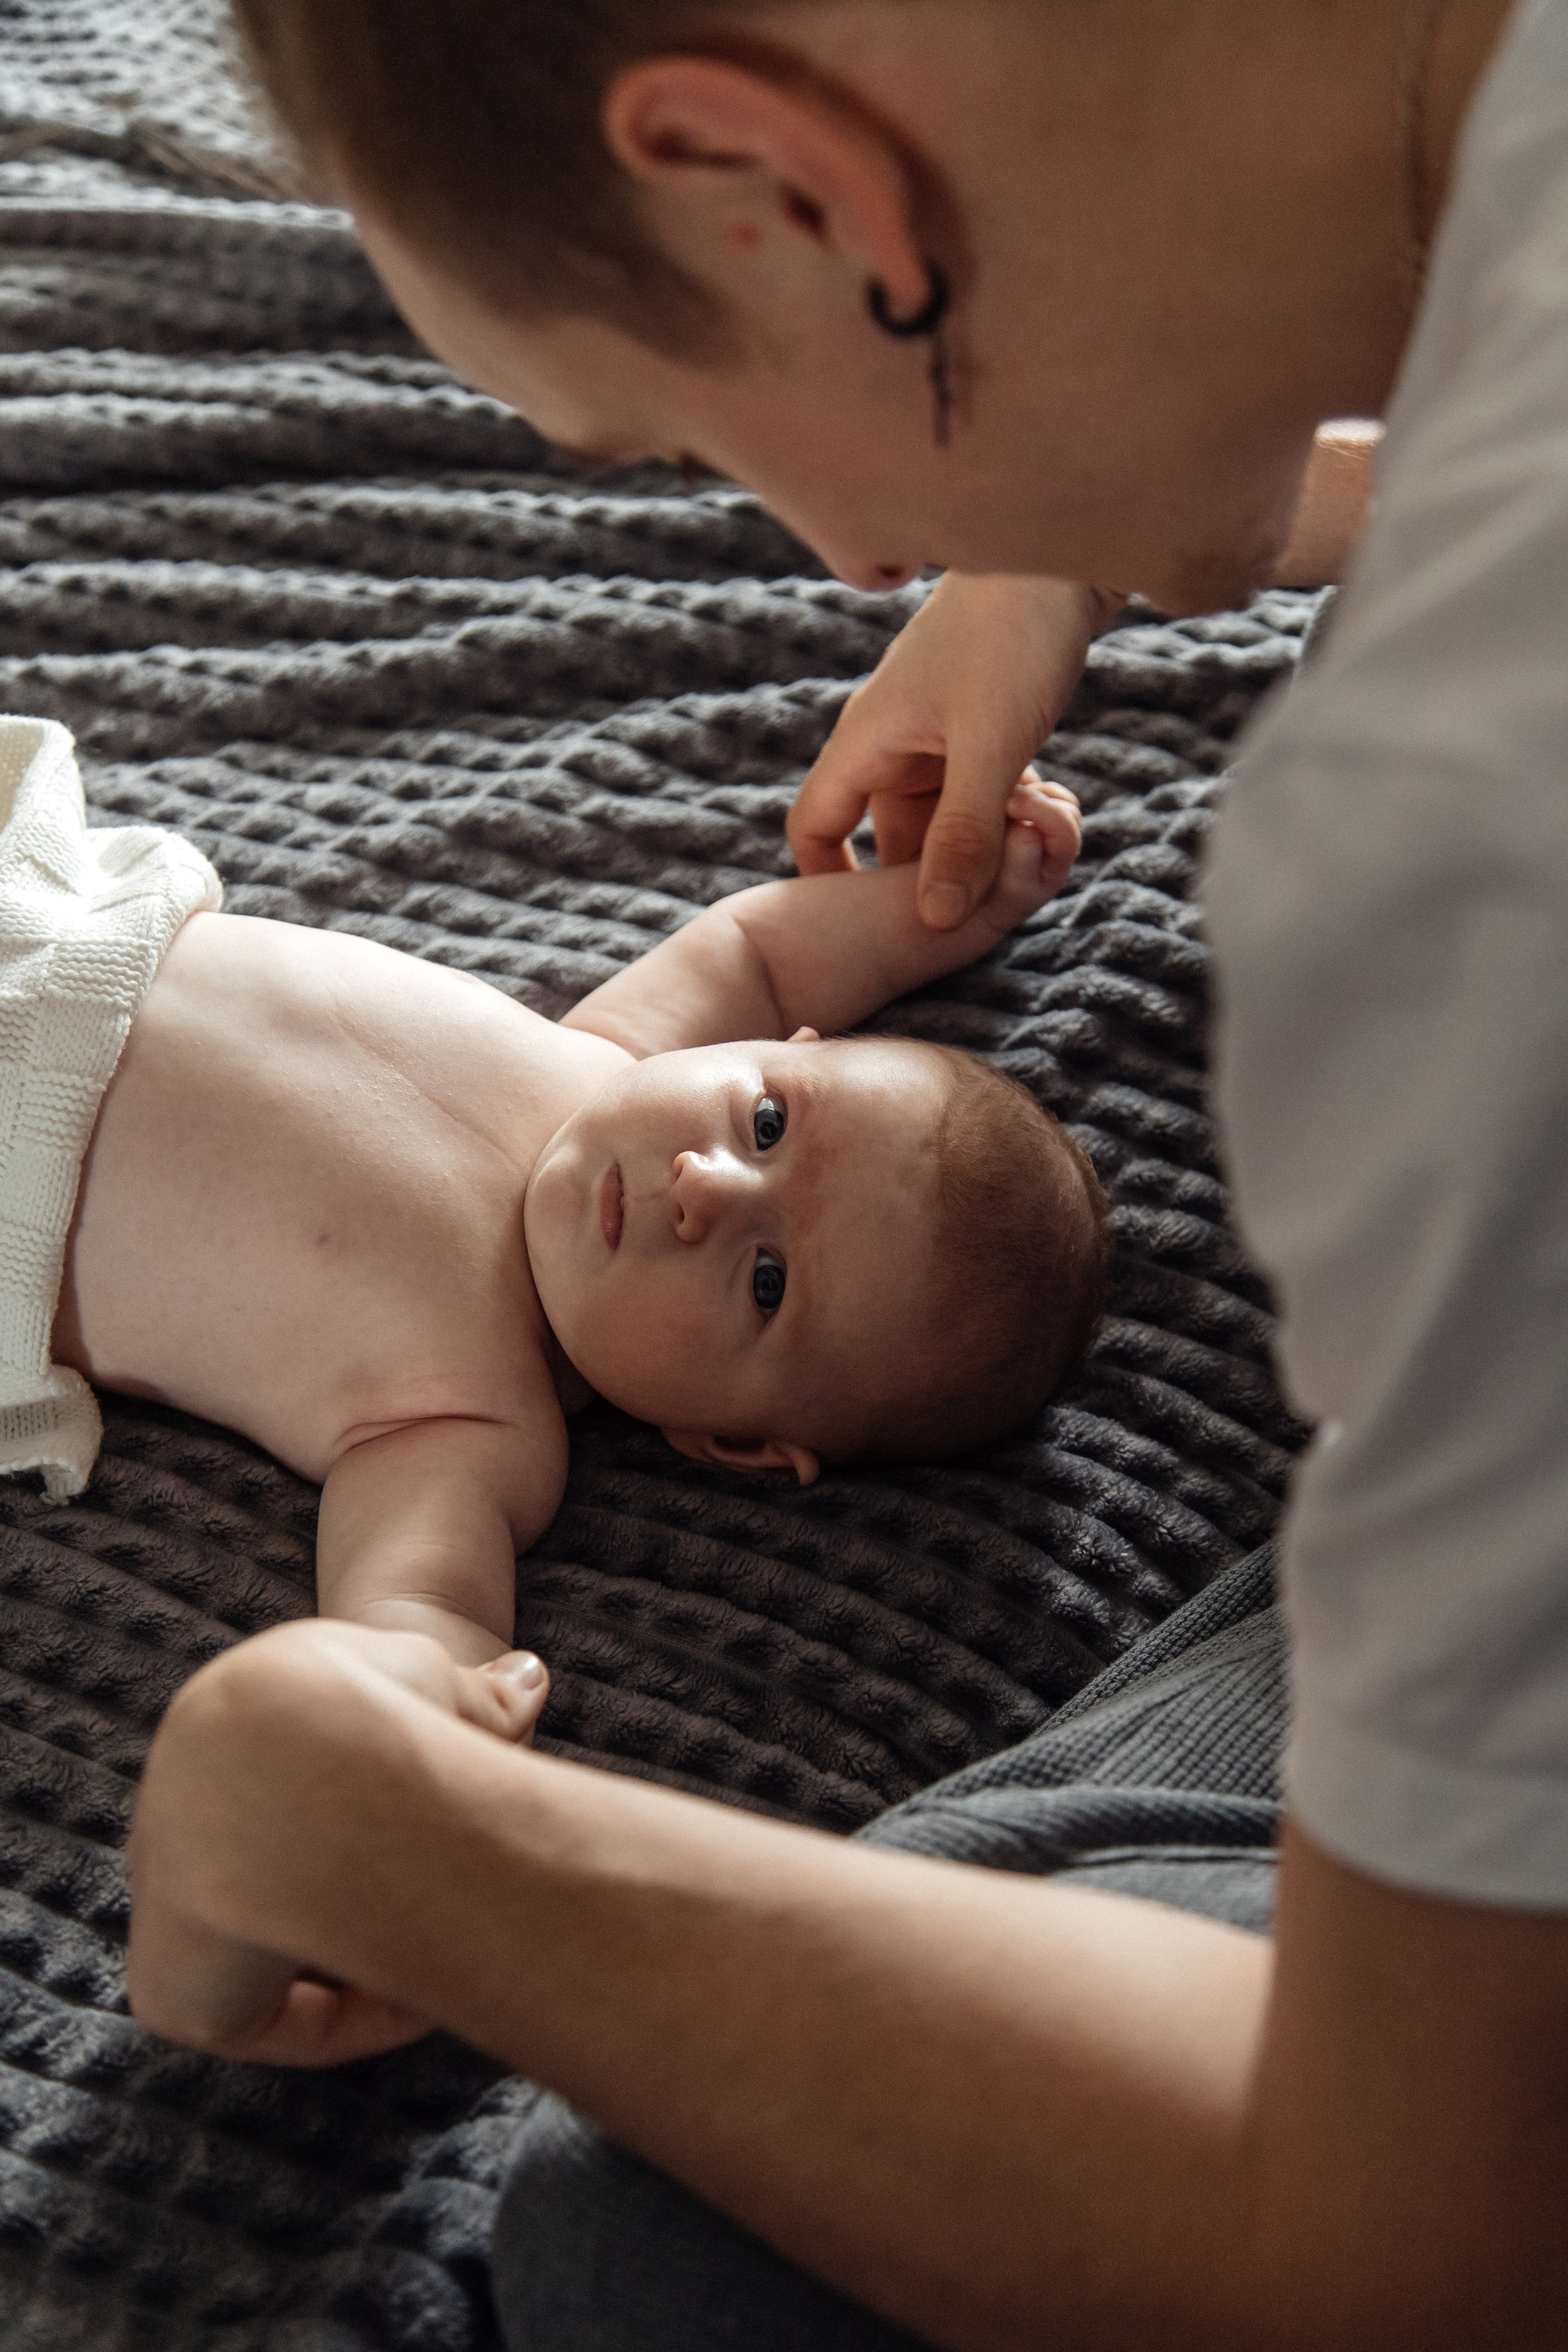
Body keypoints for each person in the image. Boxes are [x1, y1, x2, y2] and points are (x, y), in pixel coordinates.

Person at [123, 0, 1568, 2345]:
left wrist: (385, 1818)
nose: (850, 549)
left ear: (787, 194)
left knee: (657, 2232)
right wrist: (1054, 552)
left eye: (681, 426)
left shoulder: (1461, 866)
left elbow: (1420, 2245)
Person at [0, 712, 1095, 1685]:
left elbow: (415, 1592)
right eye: (767, 1123)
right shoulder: (606, 1058)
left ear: (736, 1444)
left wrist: (438, 1675)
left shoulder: (477, 1416)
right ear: (769, 1048)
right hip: (47, 914)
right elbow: (760, 949)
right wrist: (951, 901)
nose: (702, 1186)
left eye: (767, 1282)